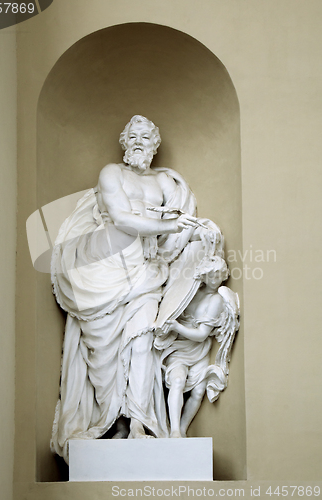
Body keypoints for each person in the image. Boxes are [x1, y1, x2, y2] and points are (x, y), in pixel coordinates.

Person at [50, 116, 198, 461]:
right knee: (104, 355)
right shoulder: (111, 173)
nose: (138, 141)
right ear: (123, 141)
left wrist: (188, 233)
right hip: (107, 269)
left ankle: (137, 422)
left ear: (155, 144)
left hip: (147, 271)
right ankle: (109, 421)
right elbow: (122, 219)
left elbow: (184, 228)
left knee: (143, 339)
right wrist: (171, 223)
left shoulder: (166, 181)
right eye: (132, 136)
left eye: (145, 136)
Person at [158, 256, 239, 438]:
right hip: (179, 347)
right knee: (177, 381)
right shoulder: (191, 290)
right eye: (211, 276)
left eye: (218, 276)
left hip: (199, 347)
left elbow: (202, 334)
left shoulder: (217, 299)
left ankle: (183, 429)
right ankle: (175, 430)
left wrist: (177, 326)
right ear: (203, 275)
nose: (215, 280)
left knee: (199, 391)